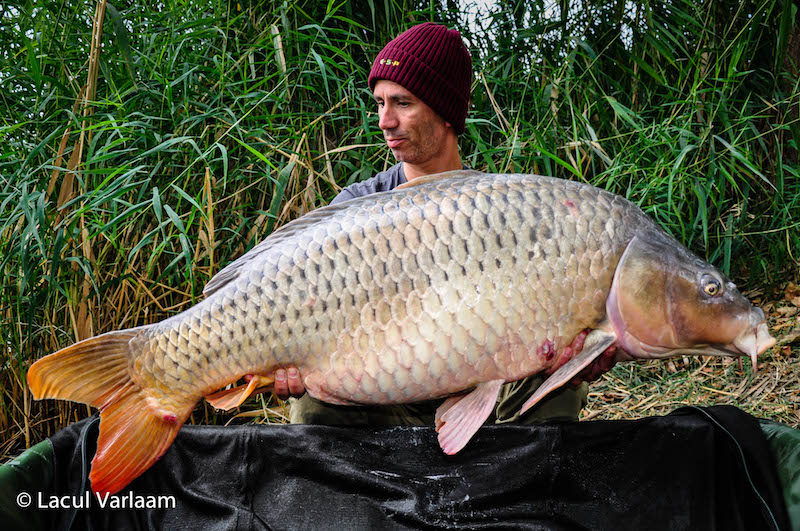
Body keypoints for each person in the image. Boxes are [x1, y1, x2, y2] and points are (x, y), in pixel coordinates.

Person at [274, 22, 588, 426]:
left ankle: (524, 482)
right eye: (380, 103)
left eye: (402, 103)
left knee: (565, 378)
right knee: (312, 400)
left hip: (484, 397)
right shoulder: (356, 209)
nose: (385, 120)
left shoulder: (502, 212)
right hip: (385, 397)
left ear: (445, 113)